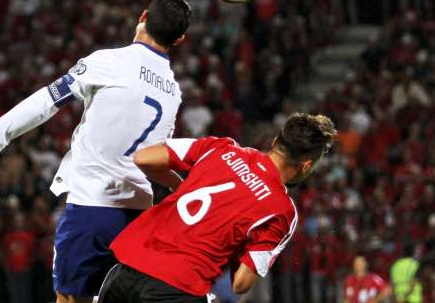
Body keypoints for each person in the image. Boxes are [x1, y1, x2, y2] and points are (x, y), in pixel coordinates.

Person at [0, 0, 192, 303]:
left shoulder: (109, 62)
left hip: (93, 207)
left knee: (69, 299)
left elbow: (47, 100)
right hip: (139, 216)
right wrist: (185, 188)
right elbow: (157, 160)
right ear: (180, 39)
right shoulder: (172, 93)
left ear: (143, 16)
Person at [99, 112, 337, 302]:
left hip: (127, 268)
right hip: (179, 287)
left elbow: (144, 158)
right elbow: (241, 284)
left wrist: (179, 187)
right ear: (305, 166)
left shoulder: (221, 147)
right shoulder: (281, 211)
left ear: (275, 142)